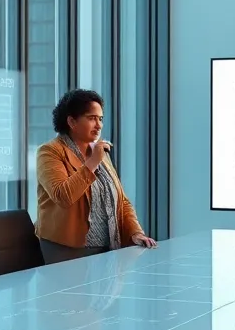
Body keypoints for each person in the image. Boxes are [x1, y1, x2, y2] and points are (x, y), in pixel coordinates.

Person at [35, 88, 156, 264]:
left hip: (107, 245)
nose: (98, 125)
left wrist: (135, 232)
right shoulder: (49, 152)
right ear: (72, 121)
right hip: (67, 248)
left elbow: (120, 199)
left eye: (100, 119)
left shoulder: (98, 152)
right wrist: (92, 162)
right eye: (91, 118)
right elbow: (63, 196)